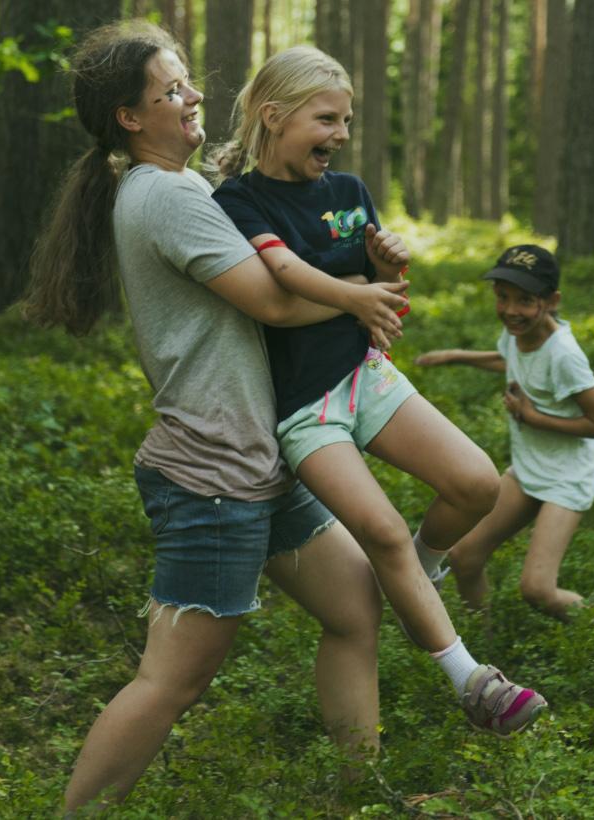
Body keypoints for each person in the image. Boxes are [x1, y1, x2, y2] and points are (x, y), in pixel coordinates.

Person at [23, 21, 414, 811]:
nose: (194, 95)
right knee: (173, 680)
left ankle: (361, 795)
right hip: (212, 475)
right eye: (172, 90)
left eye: (188, 80)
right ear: (131, 118)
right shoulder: (165, 195)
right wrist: (361, 295)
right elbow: (274, 302)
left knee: (354, 606)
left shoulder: (185, 186)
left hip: (260, 456)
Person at [211, 46, 547, 737]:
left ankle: (418, 572)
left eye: (347, 120)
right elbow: (282, 274)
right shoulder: (238, 201)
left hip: (365, 375)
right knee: (382, 531)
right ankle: (473, 683)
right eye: (326, 119)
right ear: (273, 116)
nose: (339, 134)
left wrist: (387, 271)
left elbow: (384, 297)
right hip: (303, 410)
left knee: (476, 484)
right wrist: (358, 292)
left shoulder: (349, 191)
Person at [416, 244, 594, 640]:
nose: (511, 310)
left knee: (537, 589)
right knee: (465, 557)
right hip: (530, 468)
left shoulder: (564, 356)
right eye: (502, 297)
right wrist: (454, 356)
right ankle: (485, 645)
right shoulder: (517, 334)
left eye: (525, 301)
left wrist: (533, 418)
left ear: (552, 302)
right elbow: (508, 359)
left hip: (566, 479)